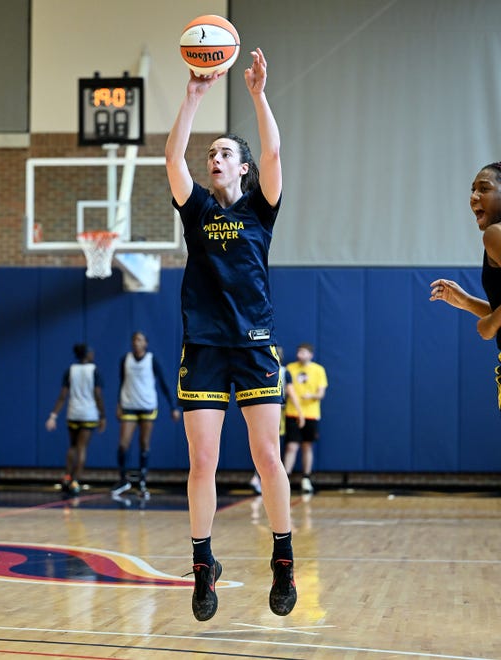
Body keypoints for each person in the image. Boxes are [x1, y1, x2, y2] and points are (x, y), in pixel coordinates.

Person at [165, 47, 297, 621]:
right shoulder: (195, 211)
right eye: (211, 153)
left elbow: (271, 149)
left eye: (224, 153)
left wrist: (257, 93)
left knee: (267, 455)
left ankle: (283, 558)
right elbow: (173, 155)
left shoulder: (261, 211)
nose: (213, 158)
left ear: (242, 168)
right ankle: (203, 568)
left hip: (254, 344)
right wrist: (193, 96)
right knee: (203, 463)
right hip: (205, 348)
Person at [430, 161, 501, 407]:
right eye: (472, 190)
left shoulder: (495, 234)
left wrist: (490, 324)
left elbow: (495, 323)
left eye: (484, 188)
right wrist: (467, 302)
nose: (473, 196)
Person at [111, 331, 181, 499]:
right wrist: (118, 404)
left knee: (144, 443)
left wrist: (173, 407)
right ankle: (123, 479)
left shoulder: (152, 360)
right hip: (129, 405)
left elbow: (163, 383)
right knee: (123, 444)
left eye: (140, 339)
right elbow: (122, 383)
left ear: (146, 343)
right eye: (134, 339)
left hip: (147, 406)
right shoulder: (125, 360)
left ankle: (142, 481)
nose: (136, 342)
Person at [45, 343, 106, 495]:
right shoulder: (94, 370)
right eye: (91, 352)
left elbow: (62, 396)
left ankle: (67, 476)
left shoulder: (70, 370)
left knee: (72, 446)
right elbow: (98, 395)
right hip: (88, 414)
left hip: (73, 413)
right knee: (82, 448)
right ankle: (75, 481)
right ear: (87, 354)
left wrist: (53, 416)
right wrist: (102, 415)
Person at [249, 346, 304, 495]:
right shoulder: (284, 372)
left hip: (257, 409)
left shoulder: (258, 369)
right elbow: (291, 393)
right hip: (275, 410)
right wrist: (300, 412)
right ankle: (260, 479)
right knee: (270, 448)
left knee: (263, 446)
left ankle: (259, 478)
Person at [283, 343, 328, 494]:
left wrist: (312, 396)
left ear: (310, 354)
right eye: (298, 352)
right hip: (292, 413)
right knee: (291, 446)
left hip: (311, 414)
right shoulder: (290, 368)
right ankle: (284, 479)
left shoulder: (318, 370)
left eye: (303, 352)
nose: (299, 355)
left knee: (307, 446)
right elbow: (285, 388)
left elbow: (321, 394)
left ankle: (306, 478)